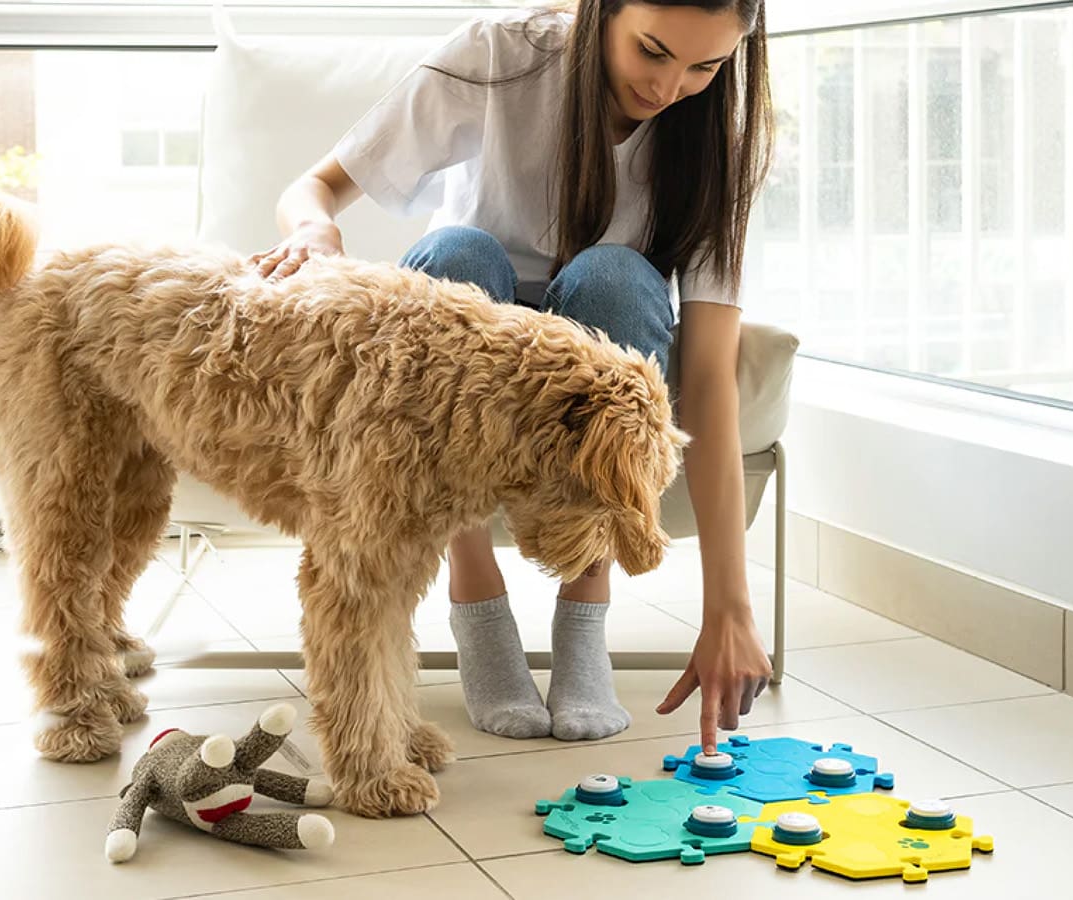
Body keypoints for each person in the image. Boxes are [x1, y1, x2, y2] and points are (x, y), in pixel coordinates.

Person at [254, 0, 774, 756]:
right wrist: (313, 229)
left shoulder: (716, 145)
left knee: (617, 277)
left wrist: (729, 608)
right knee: (456, 254)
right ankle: (477, 595)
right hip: (471, 343)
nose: (668, 89)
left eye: (705, 66)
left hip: (597, 355)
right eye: (652, 51)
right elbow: (318, 186)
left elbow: (709, 377)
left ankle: (584, 604)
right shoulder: (505, 56)